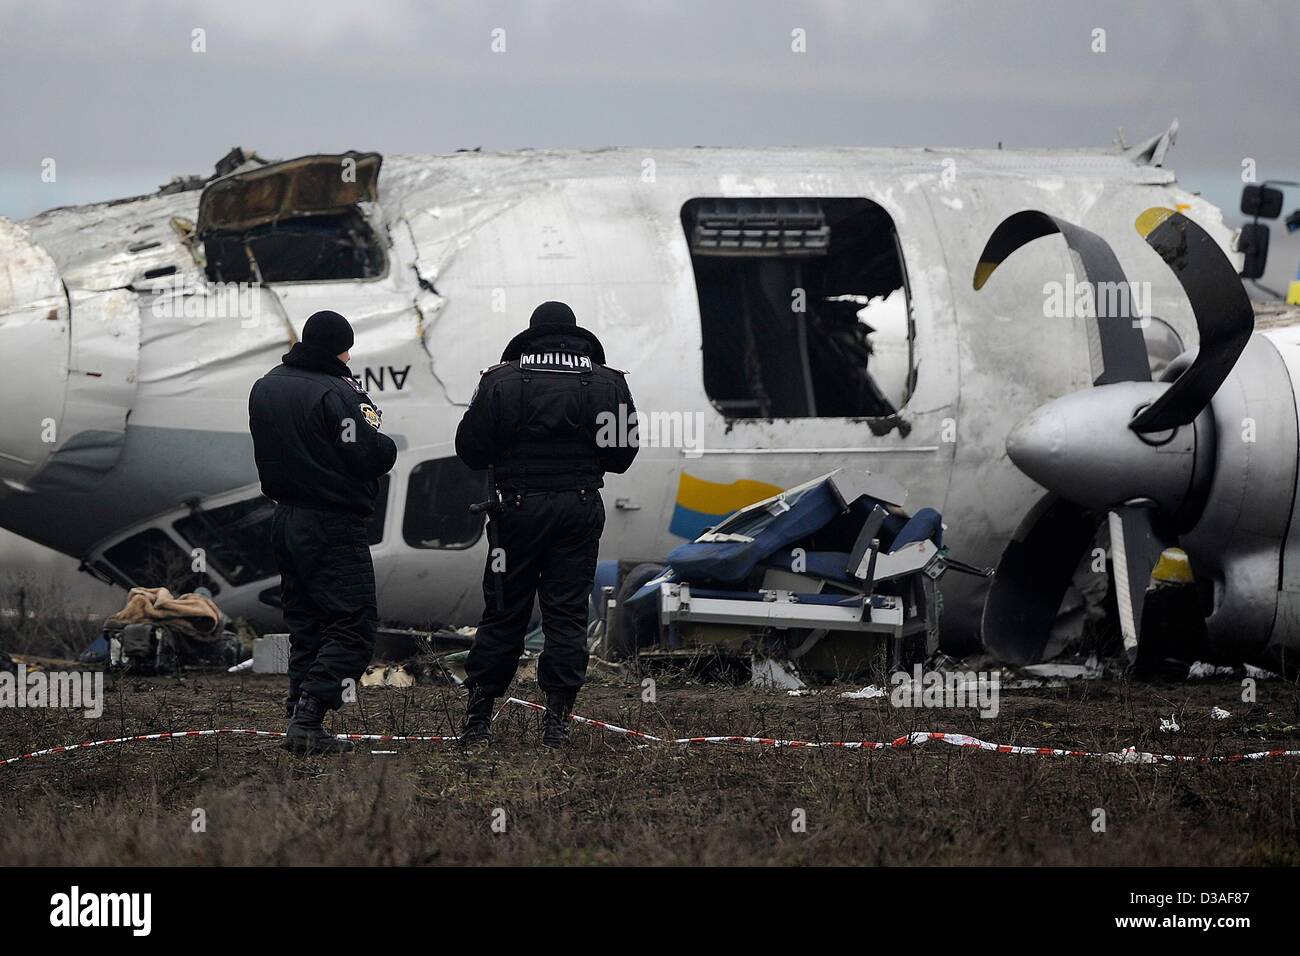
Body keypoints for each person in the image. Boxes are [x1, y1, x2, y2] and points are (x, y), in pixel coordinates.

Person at [455, 301, 638, 747]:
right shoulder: (607, 382)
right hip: (578, 511)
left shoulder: (500, 380)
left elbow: (471, 450)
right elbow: (622, 457)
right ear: (576, 335)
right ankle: (556, 721)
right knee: (567, 614)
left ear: (530, 334)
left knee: (504, 611)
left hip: (516, 512)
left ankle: (478, 720)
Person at [248, 310, 397, 755]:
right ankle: (310, 715)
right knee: (352, 623)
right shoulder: (339, 391)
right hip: (333, 522)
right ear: (341, 348)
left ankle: (298, 717)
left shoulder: (267, 385)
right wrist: (385, 443)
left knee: (307, 623)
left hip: (286, 519)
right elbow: (370, 454)